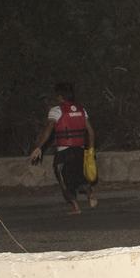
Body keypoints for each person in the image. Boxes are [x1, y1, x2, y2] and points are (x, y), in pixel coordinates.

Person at [29, 82, 97, 214]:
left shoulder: (56, 110)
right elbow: (91, 132)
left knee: (63, 179)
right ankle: (90, 194)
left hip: (64, 151)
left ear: (60, 96)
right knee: (78, 175)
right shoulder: (81, 109)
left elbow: (48, 130)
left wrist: (39, 147)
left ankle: (75, 207)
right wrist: (91, 149)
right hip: (80, 149)